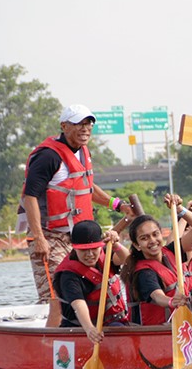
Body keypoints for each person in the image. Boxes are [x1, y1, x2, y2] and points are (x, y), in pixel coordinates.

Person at [17, 104, 135, 326]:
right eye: (79, 123)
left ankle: (91, 332)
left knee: (92, 286)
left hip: (78, 239)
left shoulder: (82, 152)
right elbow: (29, 197)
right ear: (64, 126)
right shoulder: (48, 157)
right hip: (49, 236)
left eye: (88, 123)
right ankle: (49, 345)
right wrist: (39, 238)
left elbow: (87, 187)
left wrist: (117, 204)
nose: (86, 128)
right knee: (57, 297)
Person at [123, 195, 192, 324]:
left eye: (155, 234)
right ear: (136, 245)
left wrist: (180, 209)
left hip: (177, 327)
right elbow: (157, 297)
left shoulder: (172, 251)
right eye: (144, 238)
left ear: (161, 234)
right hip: (153, 334)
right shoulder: (143, 272)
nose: (152, 241)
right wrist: (171, 301)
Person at [54, 220, 130, 343]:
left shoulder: (107, 252)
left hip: (113, 323)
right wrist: (89, 328)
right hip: (79, 328)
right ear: (74, 248)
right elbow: (79, 304)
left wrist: (116, 245)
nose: (89, 254)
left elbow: (127, 260)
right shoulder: (68, 275)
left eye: (94, 249)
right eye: (83, 250)